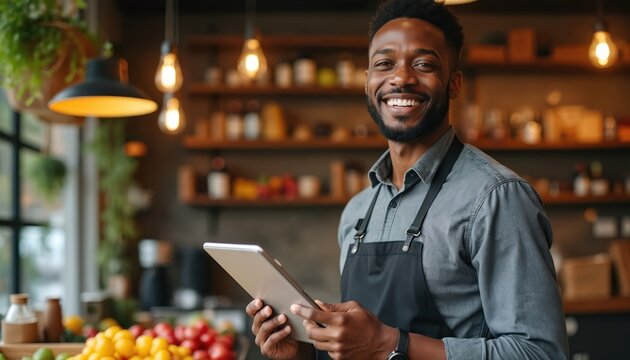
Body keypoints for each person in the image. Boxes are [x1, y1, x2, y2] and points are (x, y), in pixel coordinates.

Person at [246, 0, 569, 358]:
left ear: (454, 84)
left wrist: (391, 344)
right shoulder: (358, 212)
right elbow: (360, 349)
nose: (401, 78)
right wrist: (304, 353)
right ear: (367, 82)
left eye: (424, 64)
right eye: (384, 64)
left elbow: (540, 352)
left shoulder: (496, 198)